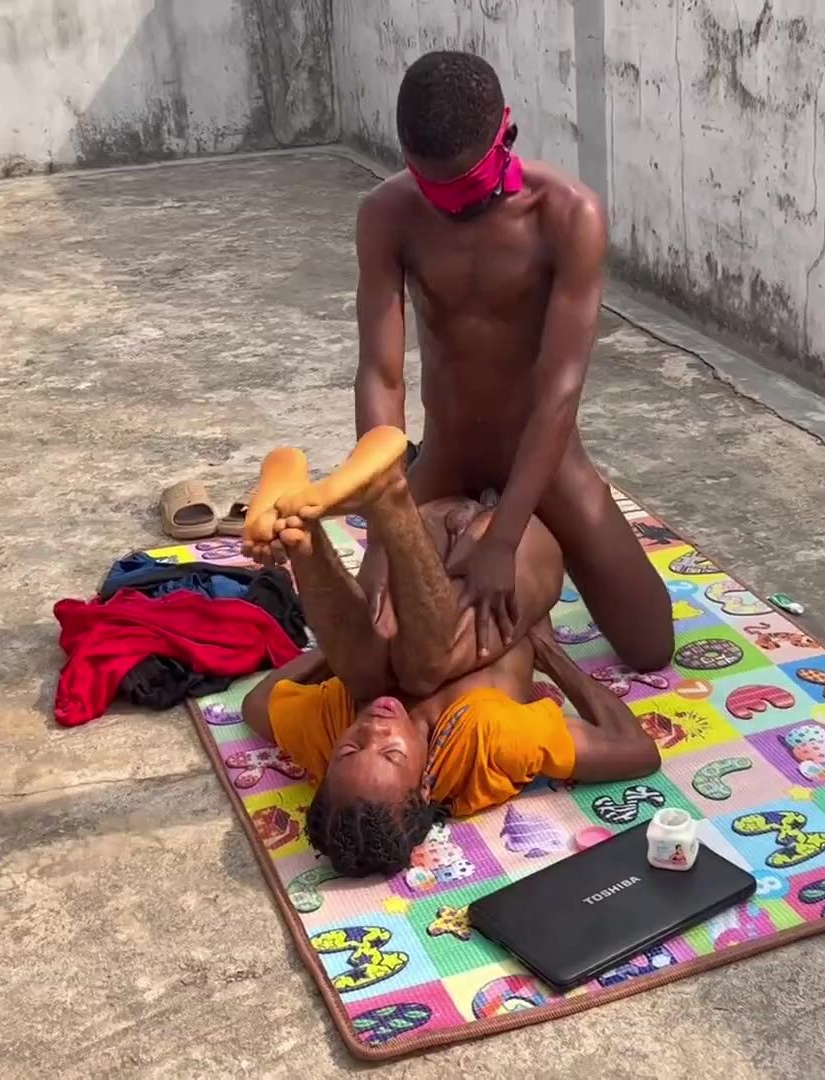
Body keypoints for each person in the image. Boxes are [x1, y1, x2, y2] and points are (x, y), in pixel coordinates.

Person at [350, 49, 674, 673]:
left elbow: (560, 389)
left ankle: (526, 566)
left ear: (509, 134)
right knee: (375, 644)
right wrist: (387, 516)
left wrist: (503, 540)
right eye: (433, 189)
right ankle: (509, 590)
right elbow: (380, 375)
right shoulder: (387, 214)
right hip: (446, 455)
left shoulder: (568, 215)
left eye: (467, 190)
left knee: (650, 647)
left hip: (546, 457)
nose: (453, 210)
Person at [239, 427, 660, 877]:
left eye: (351, 747)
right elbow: (636, 749)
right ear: (424, 788)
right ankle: (389, 496)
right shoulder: (487, 747)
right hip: (511, 551)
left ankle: (302, 537)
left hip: (428, 533)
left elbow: (257, 704)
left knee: (364, 675)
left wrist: (342, 650)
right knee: (416, 671)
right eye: (391, 753)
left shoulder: (331, 748)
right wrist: (552, 655)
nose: (375, 728)